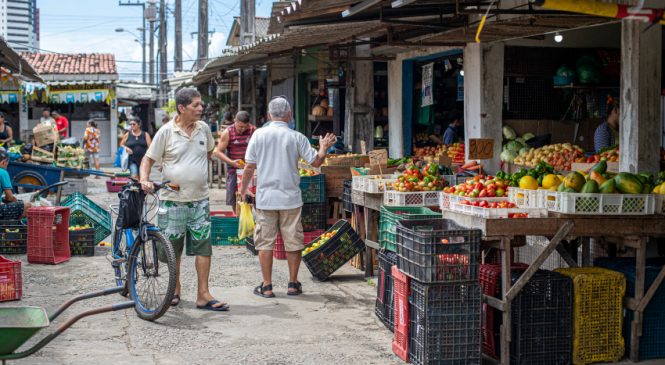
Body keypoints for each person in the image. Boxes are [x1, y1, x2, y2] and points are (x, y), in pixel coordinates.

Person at [140, 88, 228, 311]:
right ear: (182, 108)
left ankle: (203, 294)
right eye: (196, 105)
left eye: (201, 105)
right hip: (172, 201)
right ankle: (175, 289)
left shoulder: (204, 129)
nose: (201, 109)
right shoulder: (166, 132)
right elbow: (147, 160)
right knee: (172, 249)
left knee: (203, 248)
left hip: (200, 201)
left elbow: (208, 153)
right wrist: (144, 180)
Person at [240, 97, 336, 298]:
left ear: (268, 115)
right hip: (291, 199)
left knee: (265, 242)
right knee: (293, 241)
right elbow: (316, 163)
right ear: (289, 115)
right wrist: (323, 148)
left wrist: (243, 190)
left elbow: (249, 166)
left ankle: (267, 286)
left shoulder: (258, 135)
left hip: (266, 199)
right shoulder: (297, 137)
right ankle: (293, 284)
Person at [214, 111, 255, 213]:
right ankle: (237, 218)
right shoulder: (228, 132)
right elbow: (218, 152)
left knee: (252, 198)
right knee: (234, 198)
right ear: (235, 121)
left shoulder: (253, 131)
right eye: (240, 126)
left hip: (251, 171)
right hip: (233, 171)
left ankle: (251, 220)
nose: (242, 129)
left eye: (245, 127)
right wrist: (231, 162)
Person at [0, 149, 30, 219]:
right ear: (3, 162)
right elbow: (10, 197)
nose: (7, 166)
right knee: (27, 206)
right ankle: (14, 227)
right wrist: (18, 202)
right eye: (7, 163)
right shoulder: (2, 172)